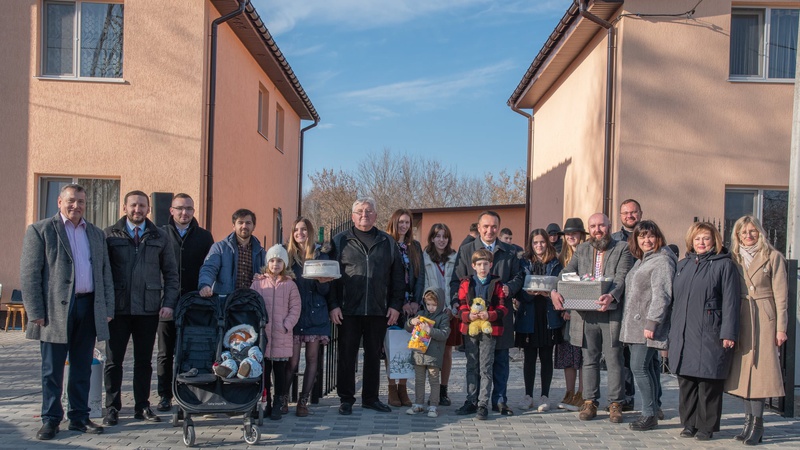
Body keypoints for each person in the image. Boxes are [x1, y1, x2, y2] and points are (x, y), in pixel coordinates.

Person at [21, 184, 114, 440]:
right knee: (52, 370)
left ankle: (79, 417)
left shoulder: (95, 233)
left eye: (81, 201)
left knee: (82, 366)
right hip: (54, 311)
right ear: (59, 201)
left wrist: (106, 308)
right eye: (71, 201)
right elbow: (29, 275)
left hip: (88, 306)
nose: (77, 206)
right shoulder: (40, 231)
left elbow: (105, 273)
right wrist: (35, 311)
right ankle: (51, 419)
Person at [103, 190, 179, 426]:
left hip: (148, 309)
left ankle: (142, 406)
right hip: (117, 309)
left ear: (149, 209)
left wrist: (168, 303)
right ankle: (112, 407)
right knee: (113, 361)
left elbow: (171, 274)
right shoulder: (109, 235)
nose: (138, 210)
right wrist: (105, 305)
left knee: (144, 361)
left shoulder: (160, 236)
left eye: (142, 206)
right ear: (124, 208)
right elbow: (102, 274)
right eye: (133, 205)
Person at [551, 213, 632, 423]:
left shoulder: (622, 248)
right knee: (589, 360)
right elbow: (567, 272)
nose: (598, 230)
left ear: (609, 226)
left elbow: (622, 277)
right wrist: (555, 290)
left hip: (610, 311)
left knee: (614, 359)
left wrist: (612, 294)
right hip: (586, 314)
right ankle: (589, 401)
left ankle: (615, 403)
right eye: (593, 226)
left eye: (601, 226)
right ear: (589, 229)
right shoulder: (583, 249)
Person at [328, 197, 405, 415]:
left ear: (376, 215)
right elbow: (331, 277)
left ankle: (370, 398)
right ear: (353, 216)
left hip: (378, 310)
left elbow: (398, 277)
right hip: (347, 310)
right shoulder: (340, 241)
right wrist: (333, 305)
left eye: (369, 211)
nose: (364, 214)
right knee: (346, 355)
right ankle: (346, 398)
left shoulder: (387, 241)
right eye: (360, 211)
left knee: (374, 355)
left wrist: (395, 305)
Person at [669, 222, 740, 441]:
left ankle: (706, 426)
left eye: (706, 238)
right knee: (687, 380)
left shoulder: (724, 265)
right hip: (683, 330)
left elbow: (731, 301)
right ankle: (689, 423)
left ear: (715, 240)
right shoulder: (683, 265)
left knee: (708, 381)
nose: (701, 243)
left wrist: (728, 332)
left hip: (710, 330)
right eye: (697, 238)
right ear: (691, 241)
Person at [450, 211, 523, 416]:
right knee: (474, 362)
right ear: (479, 227)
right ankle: (472, 400)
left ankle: (499, 400)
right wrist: (458, 304)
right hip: (472, 320)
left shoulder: (509, 251)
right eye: (486, 226)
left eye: (494, 227)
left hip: (499, 317)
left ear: (498, 228)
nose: (490, 230)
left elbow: (520, 276)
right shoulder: (466, 251)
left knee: (500, 360)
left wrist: (510, 287)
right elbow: (456, 280)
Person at [725, 215, 788, 445]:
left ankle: (758, 424)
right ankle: (747, 422)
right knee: (744, 374)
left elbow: (781, 297)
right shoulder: (733, 258)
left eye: (752, 231)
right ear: (737, 236)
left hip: (763, 316)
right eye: (743, 233)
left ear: (760, 232)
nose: (748, 236)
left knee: (760, 373)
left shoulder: (773, 257)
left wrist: (781, 328)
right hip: (741, 316)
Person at [156, 193, 213, 413]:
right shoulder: (160, 234)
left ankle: (190, 391)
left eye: (189, 208)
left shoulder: (204, 237)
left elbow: (208, 268)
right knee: (165, 352)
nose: (184, 213)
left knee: (190, 349)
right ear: (171, 210)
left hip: (194, 304)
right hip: (166, 303)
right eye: (180, 208)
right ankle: (164, 395)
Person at [619, 220, 675, 431]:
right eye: (642, 237)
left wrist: (653, 322)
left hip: (647, 326)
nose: (646, 240)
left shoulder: (661, 261)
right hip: (635, 325)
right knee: (649, 368)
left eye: (650, 236)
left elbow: (662, 295)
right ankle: (652, 410)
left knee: (639, 368)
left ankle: (649, 414)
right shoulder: (642, 260)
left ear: (657, 237)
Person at [282, 217, 333, 417]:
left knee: (312, 359)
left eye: (303, 229)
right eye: (296, 230)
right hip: (294, 314)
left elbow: (326, 289)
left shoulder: (321, 256)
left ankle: (303, 401)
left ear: (310, 232)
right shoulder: (287, 256)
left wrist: (322, 281)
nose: (299, 233)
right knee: (291, 362)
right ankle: (283, 398)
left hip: (316, 313)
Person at [250, 244, 301, 420]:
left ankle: (279, 401)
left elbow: (295, 307)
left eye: (279, 261)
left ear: (284, 264)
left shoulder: (290, 284)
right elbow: (252, 304)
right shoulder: (258, 283)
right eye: (272, 260)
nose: (275, 264)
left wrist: (286, 325)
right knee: (263, 373)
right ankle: (266, 402)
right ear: (267, 262)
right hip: (263, 336)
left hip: (281, 335)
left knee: (280, 372)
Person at [456, 249, 508, 420]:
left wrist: (490, 315)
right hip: (470, 328)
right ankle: (471, 400)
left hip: (489, 329)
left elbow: (502, 307)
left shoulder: (497, 283)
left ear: (491, 265)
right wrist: (467, 315)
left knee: (486, 366)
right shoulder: (466, 283)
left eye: (486, 264)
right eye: (479, 264)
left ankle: (482, 403)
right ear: (473, 266)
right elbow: (461, 304)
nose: (482, 267)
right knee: (472, 365)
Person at [516, 229, 563, 413]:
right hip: (529, 314)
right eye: (535, 243)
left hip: (548, 315)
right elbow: (518, 287)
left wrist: (549, 294)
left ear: (547, 243)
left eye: (542, 242)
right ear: (531, 244)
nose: (539, 246)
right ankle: (528, 395)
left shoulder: (555, 263)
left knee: (546, 357)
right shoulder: (524, 262)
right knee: (529, 357)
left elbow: (560, 285)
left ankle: (545, 395)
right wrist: (526, 295)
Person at [384, 209, 425, 408]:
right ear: (394, 222)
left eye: (407, 222)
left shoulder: (415, 246)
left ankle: (403, 388)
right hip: (394, 305)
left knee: (409, 348)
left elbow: (421, 276)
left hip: (413, 307)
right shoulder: (387, 244)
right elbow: (388, 278)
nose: (404, 225)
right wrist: (399, 303)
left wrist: (416, 302)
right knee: (392, 347)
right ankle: (392, 387)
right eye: (401, 222)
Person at [611, 198, 643, 412]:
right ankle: (624, 396)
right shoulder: (613, 240)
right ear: (620, 215)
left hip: (642, 304)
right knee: (619, 354)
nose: (629, 216)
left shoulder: (649, 236)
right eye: (625, 213)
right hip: (619, 303)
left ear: (640, 213)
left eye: (633, 212)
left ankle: (653, 402)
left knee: (643, 356)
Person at [421, 223, 458, 406]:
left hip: (449, 311)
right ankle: (432, 391)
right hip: (431, 311)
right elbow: (423, 282)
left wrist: (452, 308)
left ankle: (443, 390)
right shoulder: (425, 257)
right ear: (432, 238)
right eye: (438, 236)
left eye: (445, 236)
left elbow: (457, 283)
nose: (441, 240)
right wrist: (430, 308)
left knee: (447, 352)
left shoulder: (454, 257)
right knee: (431, 352)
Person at [555, 218, 586, 412]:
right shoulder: (561, 258)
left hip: (583, 312)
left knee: (583, 355)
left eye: (575, 233)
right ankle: (569, 391)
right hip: (564, 314)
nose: (571, 236)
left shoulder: (588, 255)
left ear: (582, 235)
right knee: (567, 353)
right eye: (568, 234)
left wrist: (573, 309)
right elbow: (559, 285)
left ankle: (582, 393)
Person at [404, 287, 450, 418]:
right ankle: (418, 404)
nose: (431, 307)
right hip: (418, 354)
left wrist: (430, 330)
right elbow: (407, 328)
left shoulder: (443, 317)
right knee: (419, 380)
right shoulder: (421, 314)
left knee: (434, 380)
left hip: (433, 355)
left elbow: (445, 334)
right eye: (428, 304)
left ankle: (433, 406)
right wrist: (411, 322)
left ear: (440, 303)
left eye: (434, 305)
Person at [198, 209, 265, 298]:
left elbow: (272, 275)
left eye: (248, 223)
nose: (244, 226)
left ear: (254, 226)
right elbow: (209, 268)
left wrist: (264, 277)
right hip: (225, 303)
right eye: (240, 222)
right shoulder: (219, 248)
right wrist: (205, 284)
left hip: (251, 304)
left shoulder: (262, 253)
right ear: (233, 226)